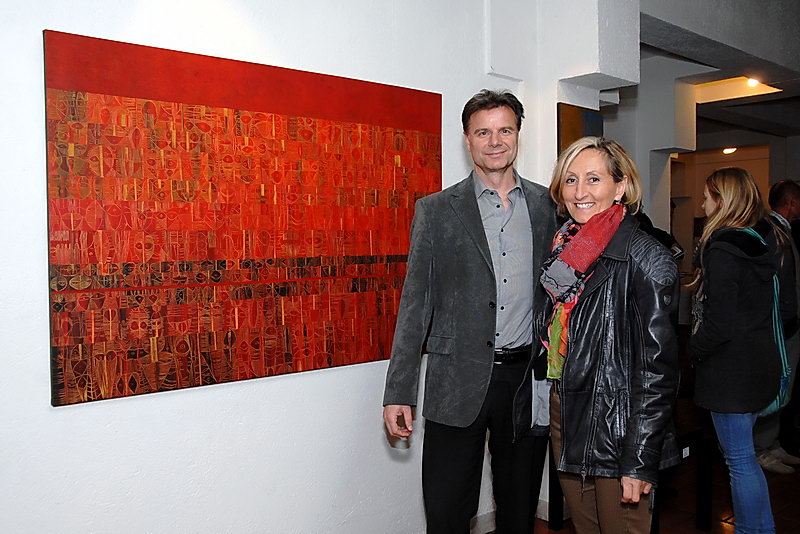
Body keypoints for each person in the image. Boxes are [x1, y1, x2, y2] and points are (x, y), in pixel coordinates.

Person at [382, 89, 558, 533]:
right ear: (467, 139)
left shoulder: (549, 207)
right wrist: (399, 390)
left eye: (505, 130)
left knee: (518, 513)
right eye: (483, 132)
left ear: (518, 135)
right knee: (446, 513)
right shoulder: (437, 211)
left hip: (525, 382)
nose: (495, 141)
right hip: (455, 381)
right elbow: (415, 303)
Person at [541, 136, 680, 534]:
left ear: (620, 187)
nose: (579, 192)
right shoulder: (566, 252)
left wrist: (639, 458)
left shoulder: (647, 258)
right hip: (567, 411)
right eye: (571, 180)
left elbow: (658, 372)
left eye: (593, 179)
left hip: (618, 424)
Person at [689, 167, 781, 534]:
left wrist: (692, 350)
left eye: (707, 197)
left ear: (723, 200)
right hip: (759, 364)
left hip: (731, 373)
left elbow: (719, 324)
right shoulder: (764, 242)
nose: (702, 205)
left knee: (739, 462)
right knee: (747, 459)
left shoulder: (723, 251)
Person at [753, 180, 800, 474]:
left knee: (785, 385)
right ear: (792, 202)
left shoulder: (783, 230)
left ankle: (772, 442)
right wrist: (782, 322)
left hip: (787, 323)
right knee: (773, 386)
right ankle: (761, 447)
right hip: (778, 325)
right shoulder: (770, 231)